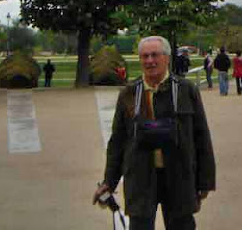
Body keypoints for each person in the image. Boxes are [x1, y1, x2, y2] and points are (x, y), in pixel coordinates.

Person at [92, 36, 215, 230]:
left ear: (167, 58)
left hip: (179, 174)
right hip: (140, 174)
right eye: (145, 56)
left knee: (182, 225)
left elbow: (201, 136)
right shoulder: (129, 93)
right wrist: (109, 181)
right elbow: (118, 141)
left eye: (155, 55)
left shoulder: (185, 90)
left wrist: (204, 181)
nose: (150, 61)